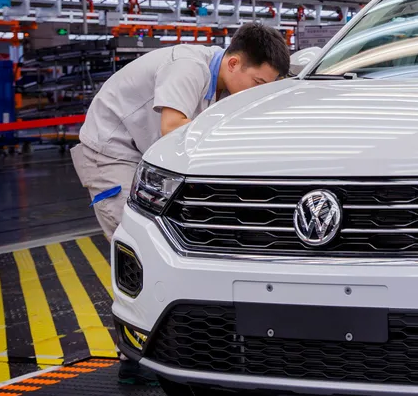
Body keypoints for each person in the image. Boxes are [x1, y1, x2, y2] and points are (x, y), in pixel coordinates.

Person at [72, 23, 290, 241]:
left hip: (147, 150)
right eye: (258, 82)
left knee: (169, 232)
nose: (258, 92)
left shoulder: (226, 81)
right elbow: (172, 126)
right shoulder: (188, 67)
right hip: (111, 152)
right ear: (233, 63)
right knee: (136, 238)